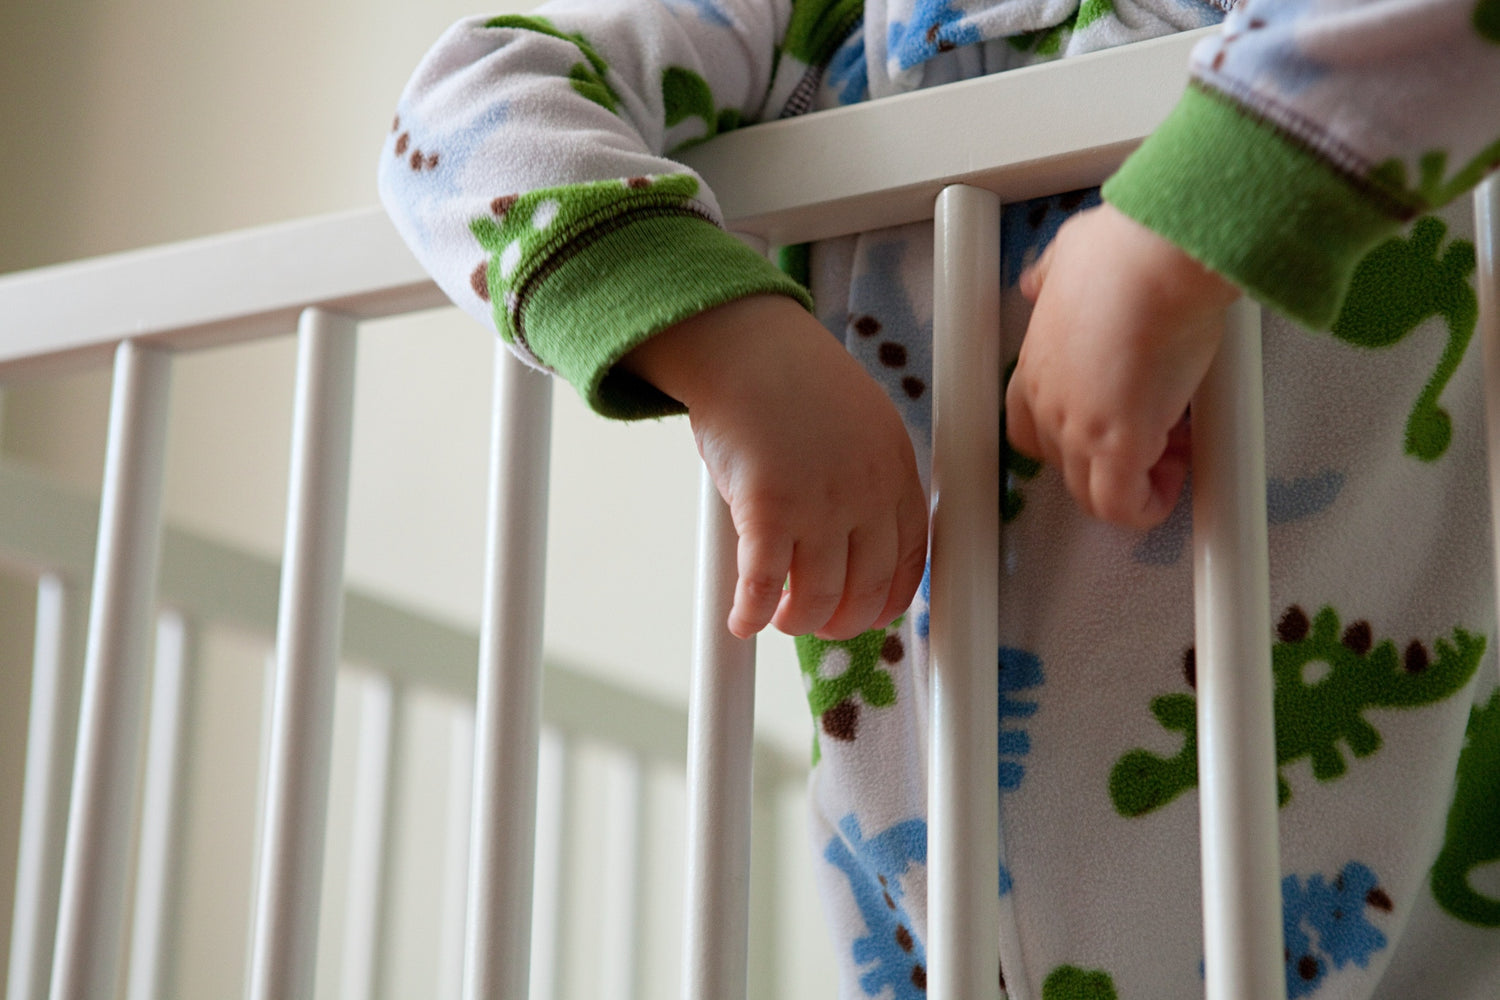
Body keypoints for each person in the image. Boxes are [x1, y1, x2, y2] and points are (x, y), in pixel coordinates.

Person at [381, 0, 1500, 994]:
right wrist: (734, 346)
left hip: (1401, 910)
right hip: (930, 918)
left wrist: (1180, 235)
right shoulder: (805, 26)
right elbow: (463, 108)